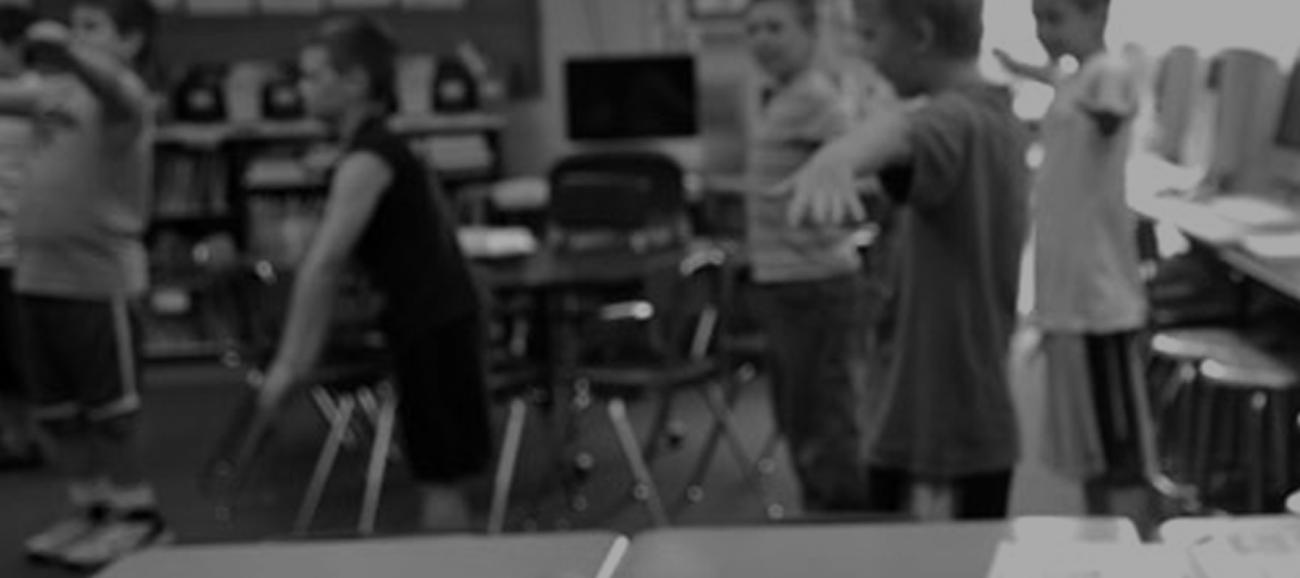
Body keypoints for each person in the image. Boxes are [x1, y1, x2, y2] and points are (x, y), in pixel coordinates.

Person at [784, 0, 1030, 519]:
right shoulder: (991, 116)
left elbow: (910, 131)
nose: (863, 54)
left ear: (919, 35)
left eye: (871, 36)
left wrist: (839, 156)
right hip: (939, 412)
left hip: (940, 433)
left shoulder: (962, 115)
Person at [256, 15, 493, 531]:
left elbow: (323, 264)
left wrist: (291, 363)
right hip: (426, 321)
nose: (302, 88)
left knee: (440, 477)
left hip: (434, 326)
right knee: (438, 471)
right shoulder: (374, 149)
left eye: (314, 76)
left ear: (356, 81)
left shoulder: (370, 159)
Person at [0, 0, 168, 569]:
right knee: (58, 414)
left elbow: (118, 92)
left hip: (96, 282)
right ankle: (94, 509)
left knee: (110, 413)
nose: (76, 36)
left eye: (91, 27)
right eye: (75, 25)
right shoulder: (56, 94)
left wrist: (66, 48)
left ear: (133, 42)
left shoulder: (126, 104)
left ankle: (138, 517)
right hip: (36, 276)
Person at [999, 0, 1150, 514]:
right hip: (1069, 291)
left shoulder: (1107, 72)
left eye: (1056, 18)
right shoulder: (1080, 76)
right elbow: (1074, 90)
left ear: (1098, 16)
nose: (1045, 32)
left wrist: (1058, 86)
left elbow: (1109, 113)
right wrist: (1034, 73)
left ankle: (1130, 543)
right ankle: (1104, 533)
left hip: (1096, 297)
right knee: (1088, 446)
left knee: (1113, 441)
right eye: (1038, 19)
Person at [741, 0, 872, 512]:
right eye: (752, 30)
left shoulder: (816, 98)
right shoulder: (781, 98)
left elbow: (858, 174)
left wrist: (821, 210)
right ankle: (825, 521)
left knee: (826, 426)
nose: (762, 38)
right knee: (801, 420)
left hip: (814, 284)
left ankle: (844, 536)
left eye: (775, 27)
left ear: (811, 31)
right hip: (783, 283)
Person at [0, 3, 43, 472]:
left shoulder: (40, 94)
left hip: (21, 250)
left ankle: (27, 435)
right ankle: (11, 436)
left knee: (22, 358)